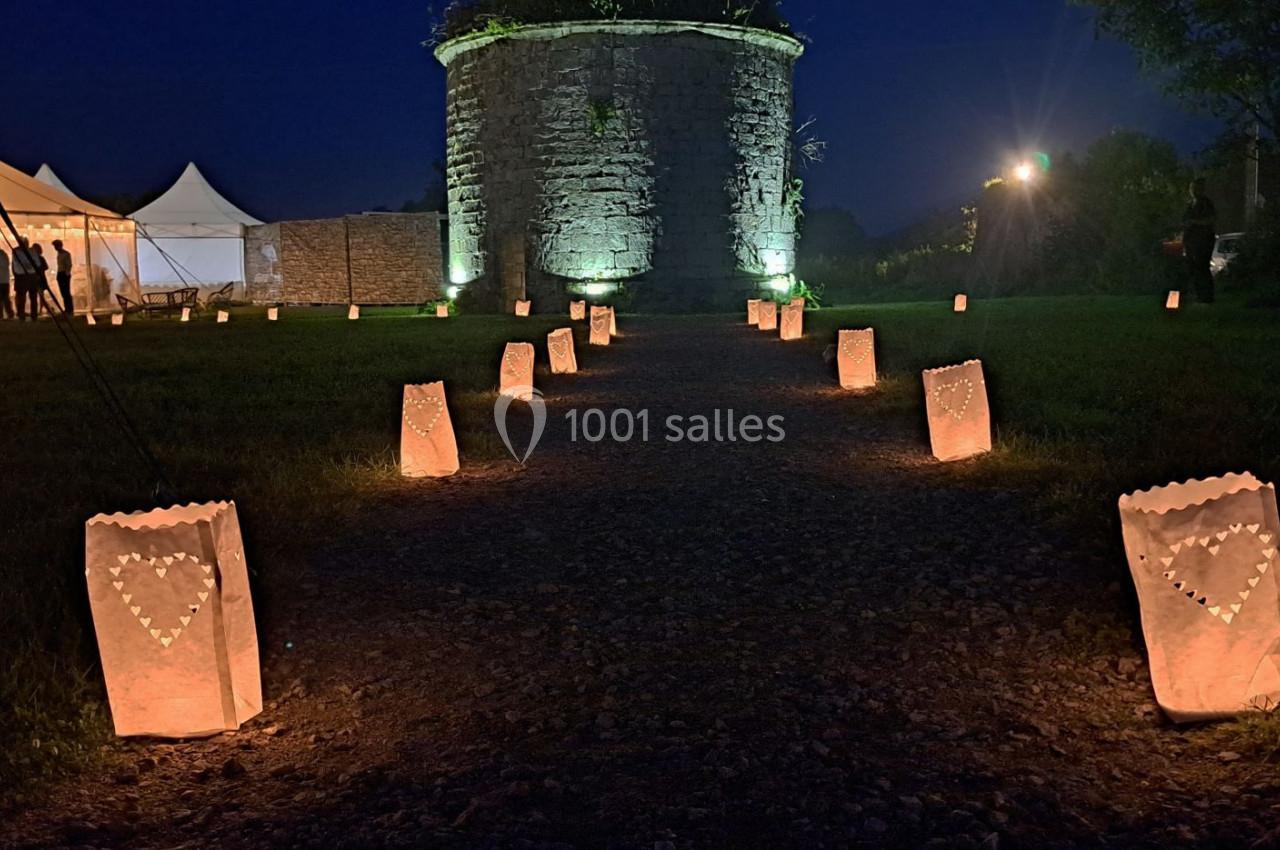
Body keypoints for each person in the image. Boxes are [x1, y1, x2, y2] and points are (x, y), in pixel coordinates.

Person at [1182, 177, 1218, 304]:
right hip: (1192, 241)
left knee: (1202, 267)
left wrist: (1194, 222)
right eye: (1191, 188)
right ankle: (1200, 296)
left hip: (1203, 240)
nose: (1192, 190)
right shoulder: (1190, 204)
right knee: (1194, 268)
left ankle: (1207, 297)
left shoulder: (1205, 203)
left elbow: (1210, 220)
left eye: (1194, 188)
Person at [12, 237, 39, 321]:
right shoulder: (16, 251)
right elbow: (16, 262)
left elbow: (37, 263)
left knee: (32, 296)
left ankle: (33, 315)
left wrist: (29, 266)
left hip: (29, 275)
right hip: (23, 276)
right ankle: (22, 314)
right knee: (22, 297)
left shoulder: (32, 251)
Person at [52, 239, 73, 315]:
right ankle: (67, 308)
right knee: (63, 292)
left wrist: (67, 273)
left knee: (66, 292)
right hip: (60, 273)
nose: (55, 248)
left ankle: (69, 308)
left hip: (64, 274)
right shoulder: (59, 254)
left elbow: (69, 265)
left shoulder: (66, 254)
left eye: (55, 246)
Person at [0, 243, 12, 319]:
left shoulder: (2, 255)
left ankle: (3, 314)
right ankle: (9, 313)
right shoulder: (4, 255)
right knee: (5, 298)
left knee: (3, 298)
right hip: (5, 280)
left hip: (1, 280)